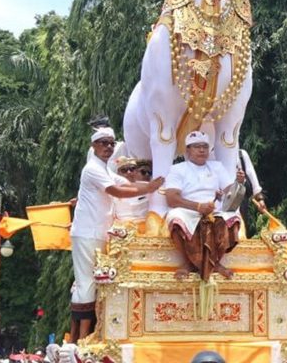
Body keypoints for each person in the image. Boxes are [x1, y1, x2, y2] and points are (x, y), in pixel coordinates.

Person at [69, 127, 164, 343]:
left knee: (99, 283)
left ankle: (92, 335)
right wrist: (149, 188)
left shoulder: (105, 170)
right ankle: (79, 340)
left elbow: (126, 183)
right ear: (93, 145)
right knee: (86, 284)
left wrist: (158, 184)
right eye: (103, 143)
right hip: (87, 232)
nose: (108, 147)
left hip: (103, 234)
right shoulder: (93, 169)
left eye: (111, 143)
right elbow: (117, 191)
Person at [164, 131, 245, 280]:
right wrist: (198, 207)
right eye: (197, 147)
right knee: (175, 218)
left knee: (233, 218)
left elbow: (230, 192)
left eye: (205, 147)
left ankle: (214, 263)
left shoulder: (217, 167)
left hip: (215, 210)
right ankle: (190, 263)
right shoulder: (178, 169)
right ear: (187, 150)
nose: (202, 150)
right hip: (188, 210)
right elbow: (171, 198)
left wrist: (238, 183)